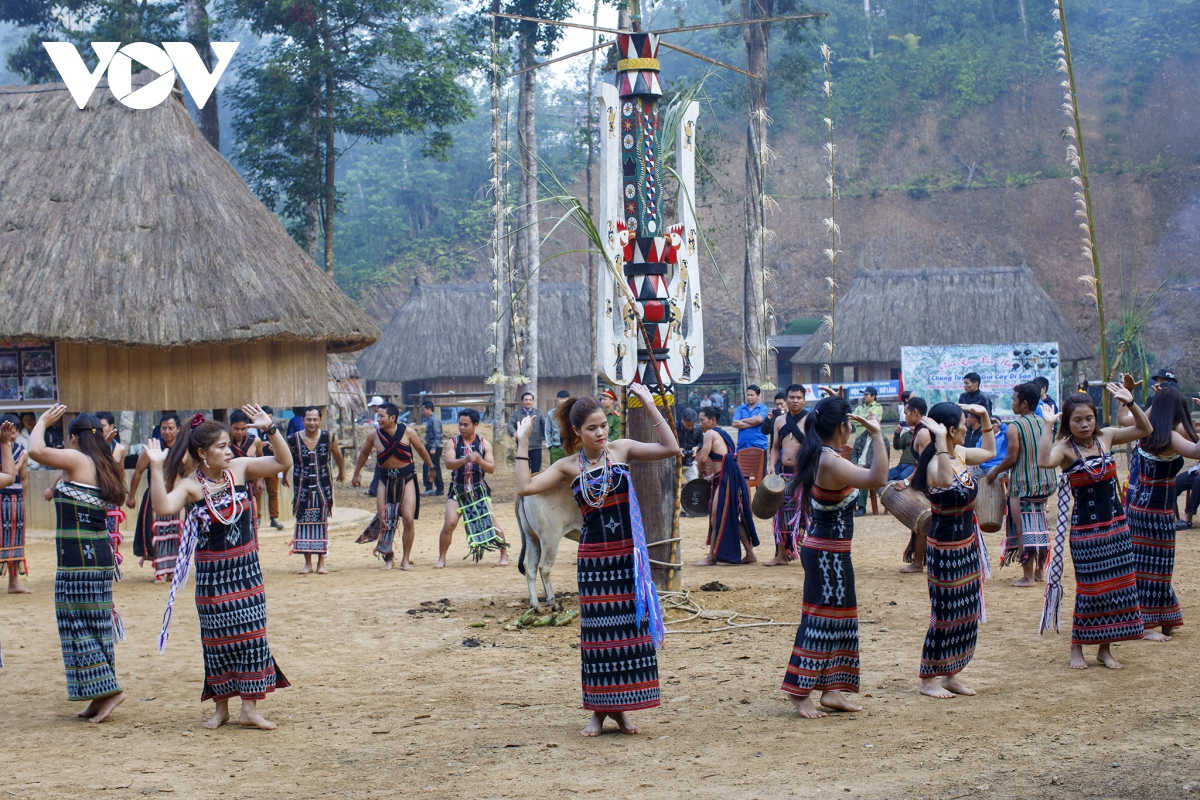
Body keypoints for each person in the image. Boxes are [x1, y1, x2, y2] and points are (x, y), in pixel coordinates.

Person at [514, 383, 678, 737]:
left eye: (603, 425)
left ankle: (622, 712)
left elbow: (671, 447)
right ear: (577, 432)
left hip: (627, 557)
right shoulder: (567, 466)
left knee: (630, 634)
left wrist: (650, 405)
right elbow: (524, 488)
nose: (601, 432)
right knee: (599, 638)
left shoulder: (621, 450)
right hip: (594, 562)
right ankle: (597, 714)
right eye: (592, 428)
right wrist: (523, 442)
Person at [146, 407, 293, 730]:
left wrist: (271, 430)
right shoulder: (190, 486)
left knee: (253, 637)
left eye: (229, 445)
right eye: (221, 447)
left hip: (247, 573)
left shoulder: (239, 469)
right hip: (213, 579)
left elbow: (283, 462)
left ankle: (250, 709)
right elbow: (162, 506)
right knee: (217, 641)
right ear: (202, 453)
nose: (229, 451)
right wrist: (156, 468)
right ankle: (221, 707)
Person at [780, 396, 887, 718]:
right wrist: (879, 435)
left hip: (831, 551)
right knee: (821, 618)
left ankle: (833, 689)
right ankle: (799, 691)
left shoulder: (821, 454)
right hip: (827, 552)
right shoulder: (828, 459)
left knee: (841, 618)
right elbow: (877, 479)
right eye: (850, 426)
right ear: (842, 427)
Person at [1037, 382, 1151, 669]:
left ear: (1095, 418)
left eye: (1088, 418)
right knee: (1091, 588)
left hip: (1116, 526)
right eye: (1077, 419)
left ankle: (1105, 649)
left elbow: (1145, 430)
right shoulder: (1065, 450)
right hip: (1086, 531)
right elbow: (1042, 461)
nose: (1084, 424)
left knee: (1117, 587)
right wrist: (1048, 426)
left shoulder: (1108, 437)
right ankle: (1077, 646)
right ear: (1068, 421)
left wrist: (1131, 402)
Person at [28, 407, 125, 722]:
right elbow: (56, 487)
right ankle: (100, 696)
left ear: (73, 437)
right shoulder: (99, 462)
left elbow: (35, 450)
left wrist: (42, 422)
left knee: (75, 621)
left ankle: (110, 691)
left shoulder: (79, 460)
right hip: (93, 557)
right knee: (93, 624)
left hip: (81, 559)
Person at [909, 401, 995, 699]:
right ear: (950, 430)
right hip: (945, 550)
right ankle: (928, 679)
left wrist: (983, 416)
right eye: (963, 422)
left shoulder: (958, 453)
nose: (965, 427)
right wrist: (940, 441)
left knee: (966, 611)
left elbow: (990, 452)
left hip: (967, 545)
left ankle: (951, 673)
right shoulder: (937, 462)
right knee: (945, 614)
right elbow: (945, 480)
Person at [1124, 384, 1199, 641]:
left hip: (1138, 509)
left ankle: (1164, 618)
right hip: (1157, 513)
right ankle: (1144, 625)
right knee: (1158, 567)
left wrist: (1142, 398)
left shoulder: (1144, 430)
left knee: (1145, 565)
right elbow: (1198, 451)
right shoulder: (1170, 437)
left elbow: (1127, 418)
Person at [983, 383, 1058, 587]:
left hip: (1024, 485)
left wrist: (995, 472)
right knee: (1039, 526)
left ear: (1024, 403)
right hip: (1045, 482)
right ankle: (1040, 571)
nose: (1012, 402)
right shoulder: (1043, 422)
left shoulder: (1016, 426)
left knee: (1023, 529)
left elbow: (1012, 457)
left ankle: (1028, 576)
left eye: (1014, 399)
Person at [352, 403, 432, 570]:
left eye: (381, 416)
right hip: (385, 479)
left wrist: (432, 468)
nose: (378, 419)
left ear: (392, 418)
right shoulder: (373, 435)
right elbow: (364, 454)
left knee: (408, 519)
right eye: (378, 416)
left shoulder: (408, 432)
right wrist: (356, 473)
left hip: (407, 478)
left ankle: (406, 558)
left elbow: (420, 450)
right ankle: (388, 558)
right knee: (384, 520)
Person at [435, 409, 507, 567]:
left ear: (475, 425)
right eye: (460, 424)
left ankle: (504, 555)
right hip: (457, 490)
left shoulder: (483, 443)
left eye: (465, 425)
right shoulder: (453, 442)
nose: (461, 427)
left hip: (478, 489)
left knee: (492, 522)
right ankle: (442, 558)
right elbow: (448, 464)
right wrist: (466, 459)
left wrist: (480, 461)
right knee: (449, 524)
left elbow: (492, 468)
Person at [694, 406, 758, 565]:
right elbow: (721, 459)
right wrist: (712, 475)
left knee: (716, 517)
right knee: (729, 516)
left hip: (726, 479)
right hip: (726, 477)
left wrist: (700, 473)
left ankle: (711, 557)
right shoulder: (724, 433)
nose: (699, 423)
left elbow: (702, 459)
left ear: (713, 420)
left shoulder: (710, 433)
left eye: (702, 420)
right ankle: (750, 553)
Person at [288, 407, 344, 575]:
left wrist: (341, 472)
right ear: (303, 420)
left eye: (315, 419)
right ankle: (307, 564)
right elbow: (286, 459)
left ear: (320, 420)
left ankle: (321, 563)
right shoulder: (293, 439)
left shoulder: (329, 438)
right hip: (302, 487)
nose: (311, 423)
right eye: (308, 419)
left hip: (322, 486)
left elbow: (337, 455)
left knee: (321, 523)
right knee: (303, 523)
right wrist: (284, 475)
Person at [128, 413, 182, 582]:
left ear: (178, 430)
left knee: (175, 532)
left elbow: (189, 472)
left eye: (170, 428)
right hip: (155, 496)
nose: (166, 431)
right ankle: (160, 570)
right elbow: (137, 472)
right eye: (163, 428)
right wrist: (131, 496)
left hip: (176, 496)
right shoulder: (152, 449)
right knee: (157, 532)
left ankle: (173, 570)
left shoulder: (184, 449)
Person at [765, 384, 808, 566]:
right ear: (786, 399)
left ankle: (806, 552)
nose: (795, 400)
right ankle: (781, 555)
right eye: (792, 397)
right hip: (783, 472)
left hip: (803, 473)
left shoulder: (811, 419)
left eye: (799, 397)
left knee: (806, 513)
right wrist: (771, 465)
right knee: (780, 513)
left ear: (804, 399)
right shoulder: (779, 421)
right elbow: (775, 447)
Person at [1, 413, 30, 593]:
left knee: (15, 541)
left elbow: (24, 479)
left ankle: (14, 583)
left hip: (16, 501)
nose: (11, 435)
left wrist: (22, 500)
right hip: (0, 498)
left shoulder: (22, 452)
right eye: (7, 431)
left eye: (13, 432)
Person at [851, 387, 885, 516]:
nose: (864, 396)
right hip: (860, 440)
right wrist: (862, 420)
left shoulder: (878, 407)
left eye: (866, 394)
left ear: (873, 396)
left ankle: (861, 506)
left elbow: (872, 420)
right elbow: (853, 420)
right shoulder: (860, 407)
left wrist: (860, 420)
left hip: (871, 444)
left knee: (863, 472)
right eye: (863, 394)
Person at [255, 406, 285, 530]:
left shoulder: (274, 431)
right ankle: (256, 519)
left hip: (272, 465)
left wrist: (275, 448)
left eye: (270, 419)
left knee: (273, 493)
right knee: (257, 493)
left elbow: (282, 449)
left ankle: (274, 518)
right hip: (257, 465)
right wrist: (259, 445)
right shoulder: (254, 431)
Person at [889, 397, 927, 482]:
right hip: (906, 466)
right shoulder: (918, 431)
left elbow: (924, 463)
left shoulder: (923, 432)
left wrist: (907, 481)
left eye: (906, 414)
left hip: (920, 476)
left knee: (902, 478)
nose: (905, 418)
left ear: (915, 412)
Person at [507, 392, 546, 473]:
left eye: (530, 400)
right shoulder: (516, 413)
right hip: (522, 447)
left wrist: (544, 437)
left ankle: (535, 486)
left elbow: (545, 425)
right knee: (523, 471)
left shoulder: (538, 413)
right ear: (522, 401)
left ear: (533, 401)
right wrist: (515, 433)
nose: (528, 402)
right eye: (526, 400)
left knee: (536, 471)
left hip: (536, 447)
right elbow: (510, 424)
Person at [731, 385, 769, 453]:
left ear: (758, 395)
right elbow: (734, 423)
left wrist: (743, 420)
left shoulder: (763, 408)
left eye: (752, 395)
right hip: (742, 447)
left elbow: (759, 420)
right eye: (748, 395)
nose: (749, 397)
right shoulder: (741, 408)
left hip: (759, 446)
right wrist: (754, 424)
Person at [421, 401, 444, 496]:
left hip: (434, 446)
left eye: (424, 409)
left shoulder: (434, 420)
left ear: (429, 409)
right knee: (434, 466)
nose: (423, 412)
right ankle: (439, 488)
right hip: (432, 446)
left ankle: (430, 487)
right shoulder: (430, 419)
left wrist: (433, 448)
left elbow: (438, 435)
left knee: (428, 466)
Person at [677, 408, 703, 484]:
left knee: (696, 485)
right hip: (674, 463)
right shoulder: (674, 427)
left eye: (692, 425)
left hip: (689, 462)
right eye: (688, 425)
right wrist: (678, 449)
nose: (690, 427)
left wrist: (696, 448)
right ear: (682, 420)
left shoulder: (697, 429)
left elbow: (701, 442)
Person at [365, 396, 384, 498]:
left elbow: (377, 432)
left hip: (381, 446)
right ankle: (374, 488)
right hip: (382, 445)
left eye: (373, 406)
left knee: (379, 468)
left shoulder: (378, 415)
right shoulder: (381, 415)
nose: (372, 408)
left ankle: (374, 489)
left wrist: (372, 445)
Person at [546, 391, 570, 464]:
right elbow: (547, 431)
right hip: (556, 447)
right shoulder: (551, 414)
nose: (563, 400)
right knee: (555, 472)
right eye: (561, 398)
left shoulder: (573, 412)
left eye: (565, 398)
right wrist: (550, 446)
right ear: (557, 400)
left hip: (571, 447)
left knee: (572, 472)